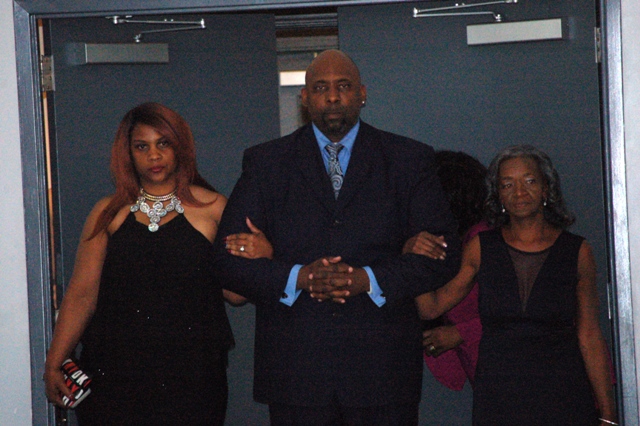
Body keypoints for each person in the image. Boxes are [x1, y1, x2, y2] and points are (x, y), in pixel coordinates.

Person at [212, 49, 461, 425]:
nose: (332, 97)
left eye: (343, 86)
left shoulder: (408, 159)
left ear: (362, 94)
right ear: (304, 98)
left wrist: (368, 279)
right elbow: (226, 263)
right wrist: (299, 276)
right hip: (297, 372)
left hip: (383, 372)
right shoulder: (266, 162)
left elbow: (444, 254)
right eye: (320, 88)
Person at [43, 102, 258, 425]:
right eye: (142, 146)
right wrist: (54, 362)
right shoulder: (107, 213)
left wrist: (259, 255)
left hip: (192, 376)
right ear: (128, 153)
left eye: (163, 143)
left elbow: (236, 294)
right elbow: (81, 295)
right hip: (114, 375)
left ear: (179, 147)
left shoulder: (214, 208)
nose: (154, 156)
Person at [416, 145, 617, 425]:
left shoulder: (577, 251)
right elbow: (431, 308)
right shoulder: (481, 248)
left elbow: (589, 335)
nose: (519, 192)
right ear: (498, 195)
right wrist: (416, 256)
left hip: (564, 393)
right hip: (499, 397)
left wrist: (608, 414)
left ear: (546, 188)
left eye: (529, 181)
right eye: (507, 184)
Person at [403, 150, 488, 390]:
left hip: (525, 373)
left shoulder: (483, 240)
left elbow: (524, 312)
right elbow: (429, 308)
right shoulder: (456, 243)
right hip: (490, 380)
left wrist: (460, 333)